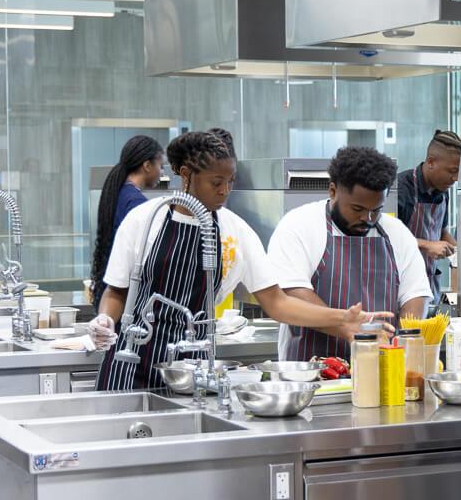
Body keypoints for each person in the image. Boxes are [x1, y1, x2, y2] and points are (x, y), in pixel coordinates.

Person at [87, 133, 384, 390]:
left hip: (192, 373)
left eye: (230, 182)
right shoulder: (144, 219)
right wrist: (104, 319)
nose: (224, 191)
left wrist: (341, 319)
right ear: (186, 174)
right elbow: (117, 292)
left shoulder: (235, 231)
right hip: (131, 363)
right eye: (216, 182)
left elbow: (277, 302)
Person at [268, 146, 432, 361]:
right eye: (357, 209)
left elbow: (415, 295)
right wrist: (346, 325)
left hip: (380, 366)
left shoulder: (397, 232)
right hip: (311, 373)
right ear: (333, 191)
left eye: (376, 210)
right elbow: (291, 293)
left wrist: (400, 341)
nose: (368, 218)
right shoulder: (299, 224)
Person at [89, 135, 164, 306]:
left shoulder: (119, 192)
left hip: (112, 288)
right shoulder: (136, 202)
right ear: (147, 165)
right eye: (160, 166)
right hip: (125, 295)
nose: (162, 172)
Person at [398, 130, 461, 313]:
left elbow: (441, 232)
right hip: (402, 288)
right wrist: (427, 245)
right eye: (452, 171)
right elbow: (388, 239)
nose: (456, 178)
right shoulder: (401, 190)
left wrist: (460, 254)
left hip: (429, 283)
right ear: (431, 162)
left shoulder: (443, 193)